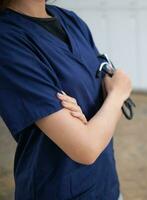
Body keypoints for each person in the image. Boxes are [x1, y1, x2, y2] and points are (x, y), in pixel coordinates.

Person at [0, 0, 131, 199]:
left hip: (106, 184)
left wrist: (94, 115)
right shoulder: (7, 40)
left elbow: (111, 97)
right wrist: (118, 94)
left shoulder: (71, 20)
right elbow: (86, 148)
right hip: (56, 188)